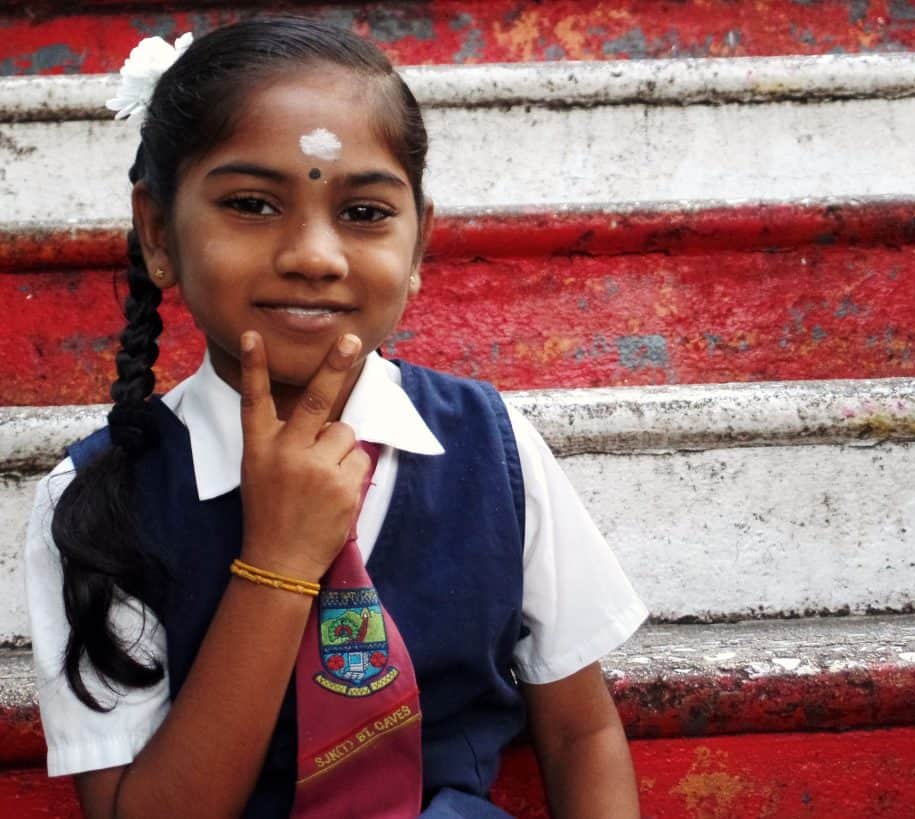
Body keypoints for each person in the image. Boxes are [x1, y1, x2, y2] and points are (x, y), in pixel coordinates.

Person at [24, 17, 648, 819]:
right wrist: (277, 562)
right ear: (157, 233)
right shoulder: (98, 502)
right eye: (251, 204)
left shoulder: (491, 450)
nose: (315, 255)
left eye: (364, 213)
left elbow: (580, 734)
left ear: (420, 245)